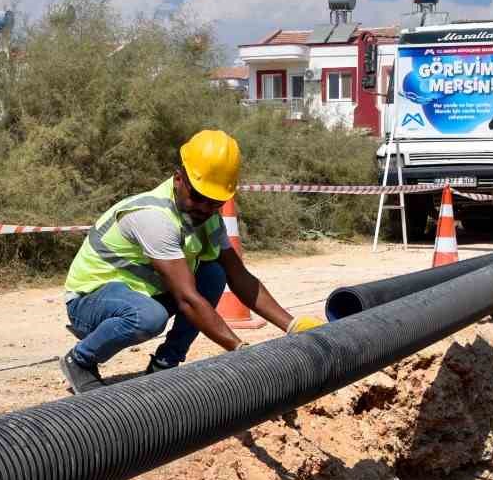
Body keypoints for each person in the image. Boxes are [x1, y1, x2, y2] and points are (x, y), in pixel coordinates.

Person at [58, 129, 321, 393]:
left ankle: (165, 363)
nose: (205, 209)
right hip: (90, 301)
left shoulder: (208, 218)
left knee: (214, 274)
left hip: (142, 294)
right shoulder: (154, 216)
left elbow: (239, 277)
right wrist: (240, 350)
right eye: (198, 197)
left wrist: (292, 325)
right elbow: (187, 299)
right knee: (150, 317)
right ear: (178, 179)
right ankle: (80, 361)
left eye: (215, 202)